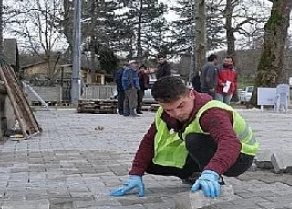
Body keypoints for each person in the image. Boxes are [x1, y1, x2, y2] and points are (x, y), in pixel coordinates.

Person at [109, 76, 259, 198]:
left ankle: (213, 179)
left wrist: (212, 172)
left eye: (181, 106)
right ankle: (193, 174)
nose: (177, 113)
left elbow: (230, 143)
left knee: (194, 139)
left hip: (240, 158)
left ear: (191, 95)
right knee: (149, 163)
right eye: (169, 109)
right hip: (207, 152)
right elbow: (148, 141)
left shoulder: (212, 112)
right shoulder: (163, 115)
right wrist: (136, 173)